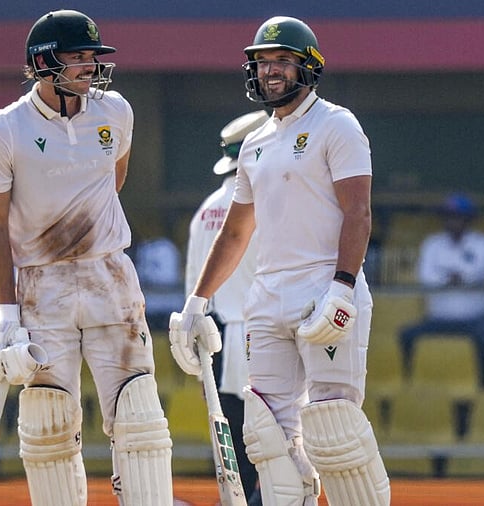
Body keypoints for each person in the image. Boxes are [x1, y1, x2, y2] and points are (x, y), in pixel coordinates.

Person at [169, 16, 389, 506]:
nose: (271, 71)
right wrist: (197, 303)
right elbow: (236, 231)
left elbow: (359, 211)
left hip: (323, 288)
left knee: (334, 428)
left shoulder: (337, 124)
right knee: (267, 433)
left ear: (308, 68)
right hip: (267, 294)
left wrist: (342, 287)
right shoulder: (255, 143)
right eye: (263, 63)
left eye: (282, 62)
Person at [0, 10, 173, 505]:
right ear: (44, 62)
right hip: (42, 285)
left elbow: (112, 179)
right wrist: (7, 316)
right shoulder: (3, 132)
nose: (90, 66)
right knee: (48, 424)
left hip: (111, 276)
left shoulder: (116, 112)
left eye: (93, 57)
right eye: (78, 57)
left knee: (139, 416)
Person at [185, 109, 269, 505]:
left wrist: (203, 368)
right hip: (266, 337)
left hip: (219, 342)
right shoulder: (265, 204)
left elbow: (193, 296)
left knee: (233, 445)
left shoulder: (204, 212)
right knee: (274, 440)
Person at [398, 193, 484, 385]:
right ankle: (412, 387)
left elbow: (476, 274)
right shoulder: (432, 244)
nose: (453, 221)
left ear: (468, 219)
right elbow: (426, 277)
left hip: (474, 319)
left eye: (458, 216)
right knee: (407, 335)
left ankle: (482, 391)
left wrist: (447, 277)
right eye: (449, 216)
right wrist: (453, 277)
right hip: (438, 319)